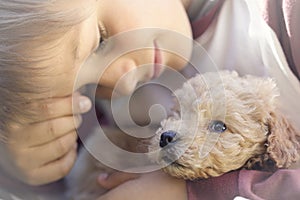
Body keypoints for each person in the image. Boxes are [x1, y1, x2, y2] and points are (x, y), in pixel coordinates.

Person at [0, 0, 299, 199]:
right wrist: (22, 167)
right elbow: (76, 188)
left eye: (101, 40)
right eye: (83, 87)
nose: (122, 81)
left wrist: (195, 192)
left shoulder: (283, 21)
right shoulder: (110, 108)